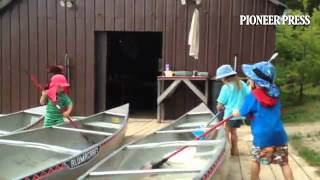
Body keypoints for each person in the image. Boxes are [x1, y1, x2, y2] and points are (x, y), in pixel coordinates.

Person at [233, 61, 294, 180]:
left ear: (255, 81)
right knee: (284, 163)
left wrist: (236, 112)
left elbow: (243, 112)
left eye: (251, 78)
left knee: (256, 161)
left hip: (262, 137)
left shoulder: (253, 95)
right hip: (279, 135)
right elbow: (278, 110)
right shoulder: (275, 95)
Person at [215, 64, 250, 155]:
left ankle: (226, 151)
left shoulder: (226, 87)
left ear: (224, 78)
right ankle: (234, 150)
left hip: (229, 115)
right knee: (234, 132)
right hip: (240, 114)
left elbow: (220, 105)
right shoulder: (242, 83)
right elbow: (249, 96)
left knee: (225, 133)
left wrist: (220, 108)